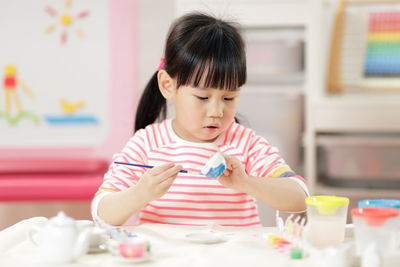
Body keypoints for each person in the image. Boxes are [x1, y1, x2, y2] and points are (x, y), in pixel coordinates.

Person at [92, 12, 308, 227]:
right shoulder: (147, 144)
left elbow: (300, 197)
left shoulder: (245, 143)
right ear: (168, 86)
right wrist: (140, 194)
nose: (216, 111)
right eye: (203, 97)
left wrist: (246, 182)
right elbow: (101, 213)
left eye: (229, 97)